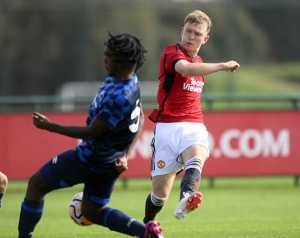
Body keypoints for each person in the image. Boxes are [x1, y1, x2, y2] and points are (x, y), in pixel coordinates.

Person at [18, 33, 164, 238]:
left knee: (36, 185)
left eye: (108, 56)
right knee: (92, 211)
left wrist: (49, 126)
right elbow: (140, 118)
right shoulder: (131, 82)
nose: (104, 59)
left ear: (121, 62)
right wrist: (125, 154)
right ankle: (146, 233)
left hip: (89, 159)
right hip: (110, 163)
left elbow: (92, 132)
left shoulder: (118, 96)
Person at [143, 10, 240, 222]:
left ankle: (187, 197)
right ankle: (147, 225)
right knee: (159, 196)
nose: (191, 36)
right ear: (181, 31)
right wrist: (223, 66)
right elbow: (185, 69)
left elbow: (193, 69)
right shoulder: (172, 53)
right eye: (188, 31)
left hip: (193, 125)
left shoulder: (201, 62)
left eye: (197, 33)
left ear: (205, 38)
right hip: (167, 128)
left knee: (197, 155)